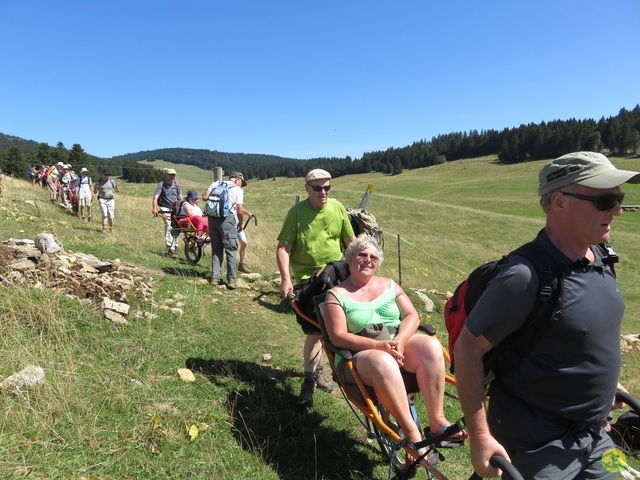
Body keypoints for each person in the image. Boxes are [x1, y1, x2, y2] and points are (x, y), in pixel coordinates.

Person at [454, 151, 640, 479]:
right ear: (559, 201)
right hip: (537, 445)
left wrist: (604, 386)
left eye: (619, 198)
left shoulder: (601, 257)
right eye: (605, 200)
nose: (617, 210)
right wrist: (480, 437)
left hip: (596, 436)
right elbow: (468, 348)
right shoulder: (524, 277)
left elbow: (586, 333)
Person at [321, 234, 466, 454]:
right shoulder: (336, 295)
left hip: (396, 343)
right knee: (382, 361)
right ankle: (412, 434)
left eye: (373, 257)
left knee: (430, 345)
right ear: (350, 259)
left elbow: (411, 315)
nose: (368, 260)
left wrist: (400, 340)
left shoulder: (389, 285)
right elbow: (338, 336)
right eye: (362, 255)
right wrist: (378, 346)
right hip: (360, 355)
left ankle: (437, 422)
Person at [276, 168, 356, 407]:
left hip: (336, 274)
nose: (323, 192)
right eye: (318, 188)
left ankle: (350, 375)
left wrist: (360, 272)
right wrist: (285, 279)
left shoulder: (338, 208)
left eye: (327, 187)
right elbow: (283, 248)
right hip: (307, 280)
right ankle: (310, 381)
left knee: (347, 327)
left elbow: (350, 243)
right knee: (315, 331)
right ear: (307, 188)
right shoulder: (296, 213)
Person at [203, 172, 250, 289]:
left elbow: (204, 197)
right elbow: (239, 210)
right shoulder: (238, 190)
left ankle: (215, 278)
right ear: (238, 180)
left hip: (212, 219)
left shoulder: (215, 184)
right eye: (241, 182)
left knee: (216, 248)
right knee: (231, 249)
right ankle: (232, 281)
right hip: (227, 220)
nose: (241, 185)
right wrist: (240, 223)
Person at [152, 169, 182, 255]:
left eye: (173, 175)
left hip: (175, 209)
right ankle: (170, 247)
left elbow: (180, 198)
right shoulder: (161, 184)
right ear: (166, 175)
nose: (172, 177)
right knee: (168, 225)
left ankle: (175, 245)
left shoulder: (177, 185)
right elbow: (155, 197)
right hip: (164, 207)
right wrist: (154, 208)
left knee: (176, 226)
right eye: (170, 175)